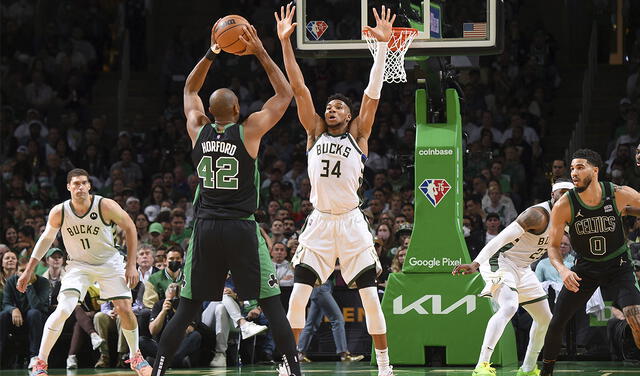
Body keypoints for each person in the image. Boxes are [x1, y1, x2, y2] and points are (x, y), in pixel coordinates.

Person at [151, 17, 301, 376]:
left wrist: (212, 51)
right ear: (236, 111)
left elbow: (189, 90)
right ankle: (295, 371)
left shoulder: (196, 128)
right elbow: (284, 95)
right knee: (272, 304)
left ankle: (157, 370)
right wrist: (262, 51)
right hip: (240, 228)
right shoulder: (249, 131)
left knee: (187, 307)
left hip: (205, 229)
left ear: (209, 112)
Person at [276, 4, 395, 375]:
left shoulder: (359, 135)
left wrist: (384, 50)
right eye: (329, 106)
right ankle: (287, 364)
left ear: (348, 115)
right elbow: (298, 87)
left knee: (371, 300)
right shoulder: (313, 132)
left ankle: (385, 366)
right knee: (297, 296)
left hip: (352, 222)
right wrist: (285, 43)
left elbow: (372, 95)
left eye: (339, 107)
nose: (331, 109)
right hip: (321, 224)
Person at [16, 168, 152, 376]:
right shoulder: (59, 211)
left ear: (89, 186)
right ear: (68, 187)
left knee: (125, 308)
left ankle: (136, 357)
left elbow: (130, 227)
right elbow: (45, 240)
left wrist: (131, 264)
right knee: (63, 309)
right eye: (75, 183)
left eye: (83, 183)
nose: (80, 187)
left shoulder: (104, 205)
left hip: (109, 262)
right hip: (78, 265)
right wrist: (28, 271)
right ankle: (40, 362)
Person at [453, 179, 574, 376]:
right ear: (552, 196)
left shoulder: (569, 217)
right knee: (509, 306)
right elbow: (500, 239)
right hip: (500, 260)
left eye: (569, 197)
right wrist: (476, 263)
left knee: (545, 318)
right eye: (560, 195)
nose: (564, 200)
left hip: (523, 268)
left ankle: (527, 368)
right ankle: (481, 365)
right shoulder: (537, 215)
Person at [540, 149, 640, 376]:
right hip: (585, 268)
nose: (574, 172)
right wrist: (563, 269)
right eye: (572, 168)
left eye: (580, 167)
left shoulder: (617, 193)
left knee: (636, 317)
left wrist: (628, 211)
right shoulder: (564, 204)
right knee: (557, 323)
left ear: (595, 170)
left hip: (618, 265)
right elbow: (553, 246)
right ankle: (546, 372)